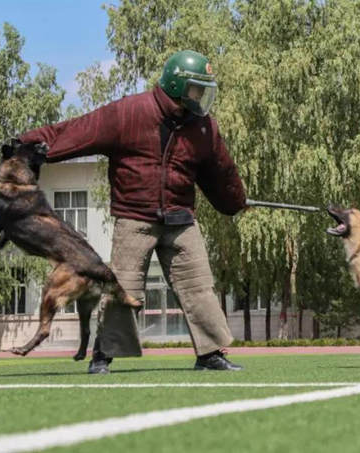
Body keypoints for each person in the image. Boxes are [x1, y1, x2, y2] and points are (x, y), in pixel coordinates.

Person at [19, 50, 246, 373]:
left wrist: (236, 200)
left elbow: (220, 172)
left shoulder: (204, 128)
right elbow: (77, 131)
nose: (201, 96)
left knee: (199, 285)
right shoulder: (129, 113)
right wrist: (26, 146)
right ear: (177, 86)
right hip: (135, 216)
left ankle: (210, 354)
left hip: (181, 218)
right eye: (196, 88)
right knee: (125, 288)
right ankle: (103, 356)